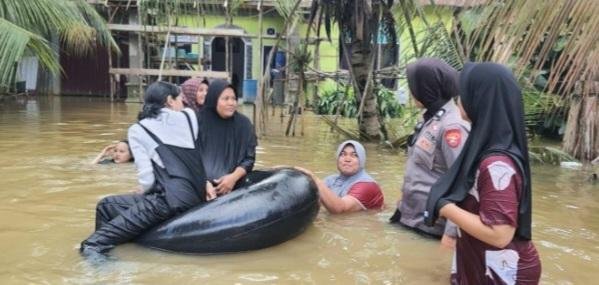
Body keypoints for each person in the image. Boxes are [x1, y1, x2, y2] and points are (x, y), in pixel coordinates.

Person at [425, 62, 541, 284]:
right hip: (482, 261)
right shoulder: (482, 148)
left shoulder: (497, 164)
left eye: (463, 93)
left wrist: (445, 207)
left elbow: (500, 234)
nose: (458, 99)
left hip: (504, 271)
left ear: (480, 99)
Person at [80, 81, 216, 257]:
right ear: (169, 100)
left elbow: (148, 179)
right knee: (106, 205)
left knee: (91, 245)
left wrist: (142, 191)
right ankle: (120, 243)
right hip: (195, 196)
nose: (183, 103)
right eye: (180, 99)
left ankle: (109, 272)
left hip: (168, 203)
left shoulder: (138, 129)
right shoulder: (190, 117)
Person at [389, 58, 470, 248]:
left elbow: (463, 182)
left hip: (431, 230)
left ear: (427, 87)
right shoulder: (431, 118)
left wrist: (450, 236)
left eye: (414, 85)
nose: (411, 91)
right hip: (410, 219)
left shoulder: (453, 126)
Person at [197, 79, 257, 196]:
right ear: (214, 100)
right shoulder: (197, 122)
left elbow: (249, 158)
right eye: (226, 99)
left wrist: (232, 178)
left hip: (234, 188)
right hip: (199, 187)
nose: (231, 103)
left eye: (234, 98)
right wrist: (203, 183)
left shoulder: (244, 124)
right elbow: (189, 159)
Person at [296, 140, 384, 214]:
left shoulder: (367, 185)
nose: (347, 159)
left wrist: (313, 178)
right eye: (343, 154)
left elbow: (340, 209)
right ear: (337, 158)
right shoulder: (331, 180)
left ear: (362, 160)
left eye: (354, 155)